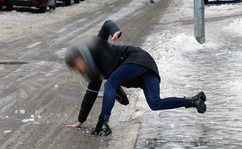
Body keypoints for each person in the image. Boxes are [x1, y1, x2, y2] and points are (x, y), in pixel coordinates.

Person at [65, 20, 206, 136]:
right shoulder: (95, 75)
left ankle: (103, 122)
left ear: (80, 57)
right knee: (155, 103)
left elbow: (106, 24)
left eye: (77, 65)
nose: (79, 69)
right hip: (146, 69)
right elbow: (90, 95)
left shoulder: (95, 45)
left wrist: (115, 31)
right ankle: (193, 101)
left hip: (136, 58)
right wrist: (80, 120)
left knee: (110, 84)